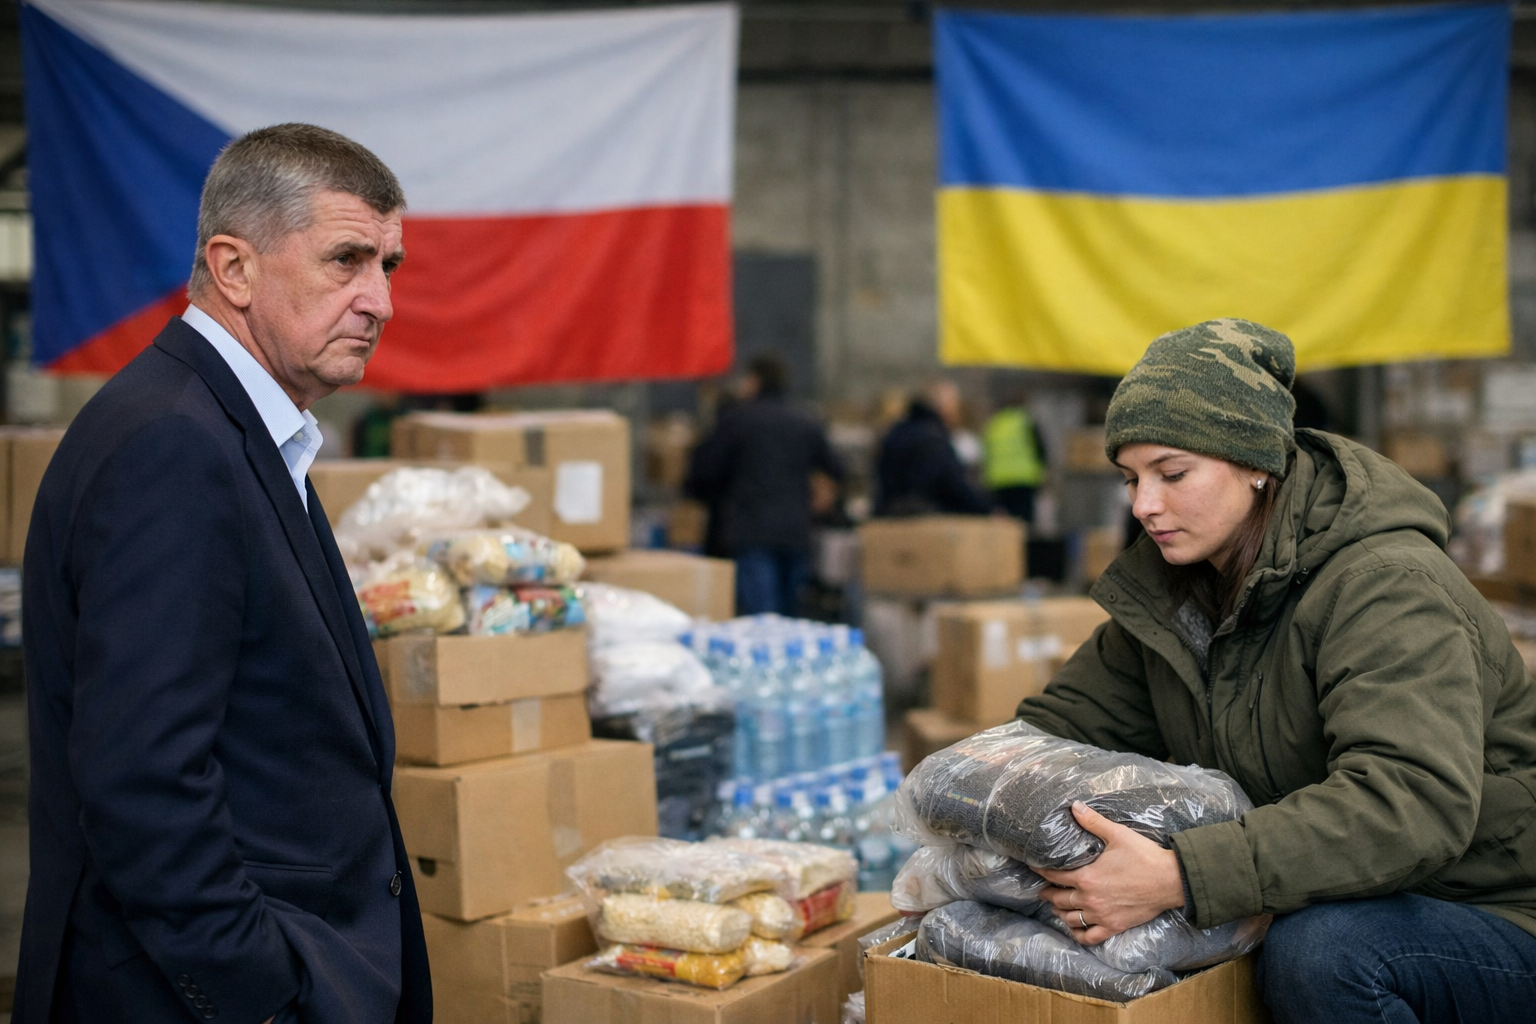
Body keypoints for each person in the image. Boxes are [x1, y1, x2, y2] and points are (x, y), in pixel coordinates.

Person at [16, 125, 431, 1023]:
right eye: (347, 260)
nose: (380, 302)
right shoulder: (173, 443)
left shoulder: (234, 426)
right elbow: (143, 780)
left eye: (388, 266)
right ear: (233, 269)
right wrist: (265, 995)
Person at [1014, 319, 1536, 1023]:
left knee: (1320, 954)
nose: (1144, 506)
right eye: (1132, 479)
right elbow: (1051, 734)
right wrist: (972, 810)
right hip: (1338, 887)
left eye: (1172, 474)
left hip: (1486, 908)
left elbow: (1409, 802)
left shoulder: (1385, 585)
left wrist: (1178, 876)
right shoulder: (1180, 595)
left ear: (1258, 464)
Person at [685, 355, 843, 616]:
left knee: (761, 615)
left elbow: (704, 471)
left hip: (750, 528)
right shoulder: (805, 421)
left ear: (754, 381)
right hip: (795, 528)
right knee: (790, 613)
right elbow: (836, 468)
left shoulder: (736, 421)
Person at [875, 379, 992, 516]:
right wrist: (986, 508)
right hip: (925, 517)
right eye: (953, 404)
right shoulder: (934, 437)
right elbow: (952, 483)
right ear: (943, 407)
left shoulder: (897, 431)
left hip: (891, 514)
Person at [981, 393, 1048, 523]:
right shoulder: (1026, 421)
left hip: (998, 480)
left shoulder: (995, 423)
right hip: (1024, 479)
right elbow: (1040, 449)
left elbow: (986, 452)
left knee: (1004, 521)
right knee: (1024, 523)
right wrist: (1043, 471)